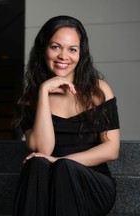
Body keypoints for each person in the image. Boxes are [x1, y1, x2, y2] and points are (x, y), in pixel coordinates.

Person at [13, 15, 120, 216]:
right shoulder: (28, 100)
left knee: (64, 167)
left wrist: (60, 160)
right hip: (49, 182)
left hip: (91, 184)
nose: (64, 56)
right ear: (43, 49)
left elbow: (111, 149)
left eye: (72, 49)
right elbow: (43, 150)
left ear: (81, 54)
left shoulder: (99, 90)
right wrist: (43, 91)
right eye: (55, 47)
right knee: (37, 163)